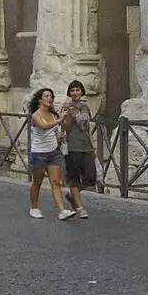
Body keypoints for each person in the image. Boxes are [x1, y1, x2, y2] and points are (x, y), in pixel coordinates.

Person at [25, 87, 76, 220]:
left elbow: (62, 129)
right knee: (37, 181)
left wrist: (66, 118)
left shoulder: (54, 115)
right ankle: (34, 207)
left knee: (56, 182)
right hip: (39, 154)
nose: (50, 98)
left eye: (51, 96)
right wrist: (59, 120)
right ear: (40, 100)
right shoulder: (36, 115)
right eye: (46, 96)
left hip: (54, 152)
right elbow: (43, 126)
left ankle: (62, 211)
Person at [60, 80, 94, 218]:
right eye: (72, 90)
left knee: (91, 177)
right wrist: (66, 116)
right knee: (74, 178)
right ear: (70, 93)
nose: (75, 93)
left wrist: (93, 146)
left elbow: (87, 128)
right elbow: (65, 128)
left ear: (82, 91)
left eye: (77, 90)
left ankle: (71, 194)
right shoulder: (66, 107)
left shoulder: (85, 108)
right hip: (73, 146)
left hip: (86, 146)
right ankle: (80, 208)